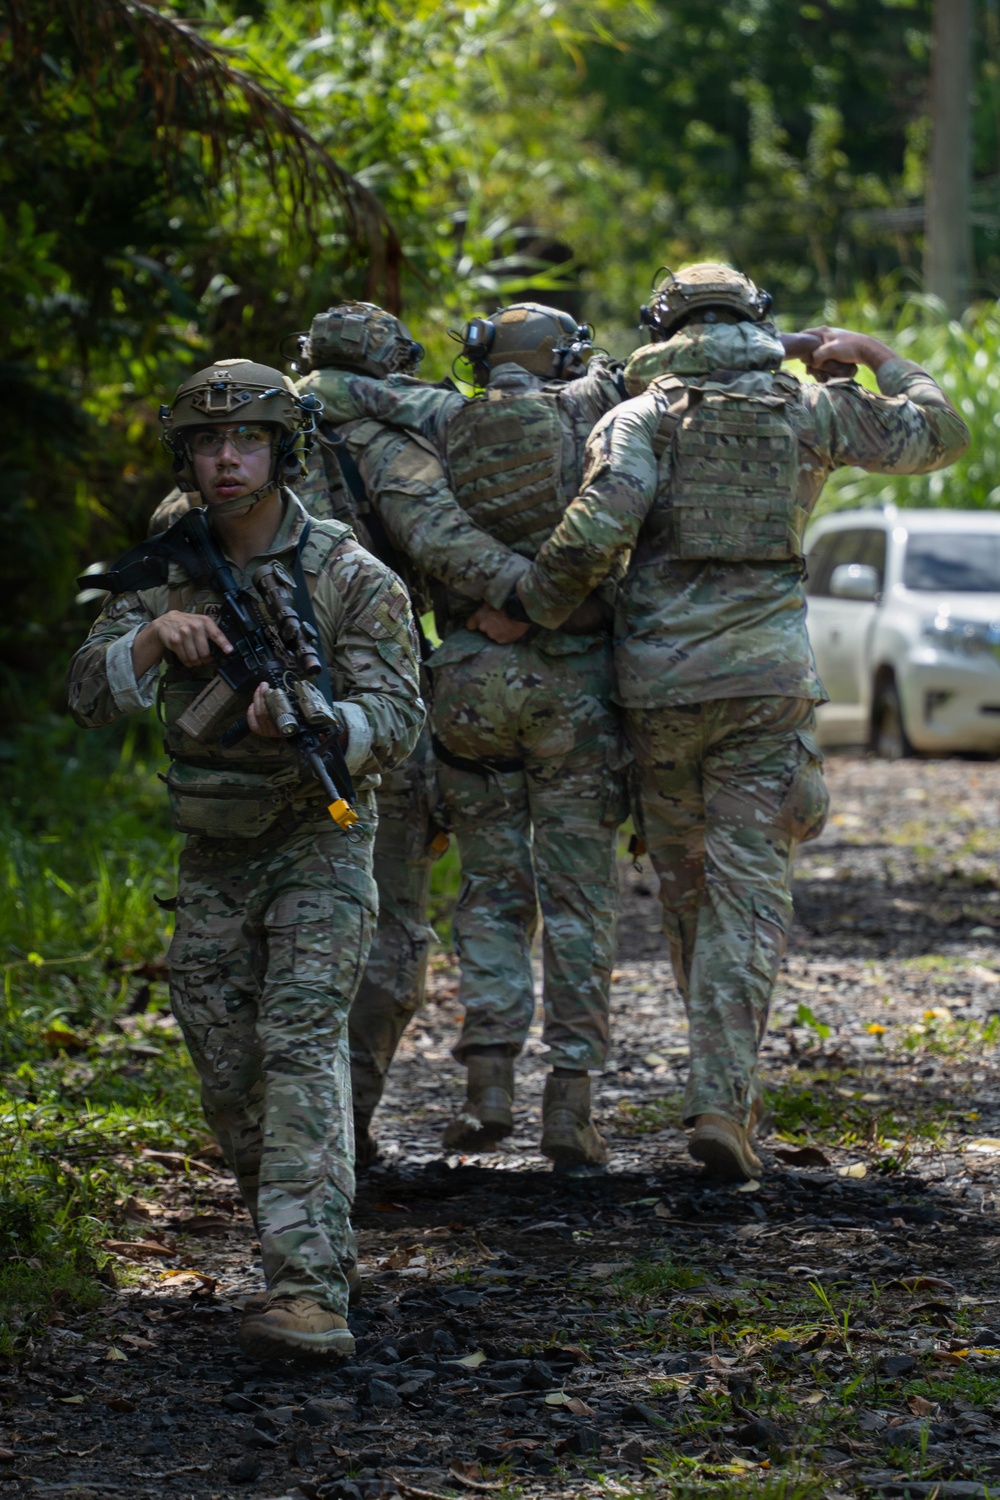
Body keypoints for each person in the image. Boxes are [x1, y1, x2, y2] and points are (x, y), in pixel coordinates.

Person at [472, 264, 970, 1182]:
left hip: (658, 693)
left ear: (664, 324)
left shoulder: (642, 414)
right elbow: (941, 433)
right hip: (766, 689)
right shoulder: (809, 409)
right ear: (755, 321)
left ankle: (721, 1095)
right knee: (749, 895)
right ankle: (721, 1098)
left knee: (688, 887)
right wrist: (879, 358)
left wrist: (528, 608)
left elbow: (595, 529)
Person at [67, 359, 423, 1357]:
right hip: (212, 849)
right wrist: (148, 642)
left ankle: (309, 1289)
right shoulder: (166, 562)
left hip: (317, 836)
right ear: (188, 456)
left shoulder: (351, 575)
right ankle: (294, 1233)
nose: (229, 460)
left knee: (301, 1046)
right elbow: (88, 693)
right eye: (211, 445)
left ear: (282, 451)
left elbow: (401, 715)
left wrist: (319, 716)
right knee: (227, 1069)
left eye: (251, 441)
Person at [300, 304, 628, 1169]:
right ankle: (570, 1106)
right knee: (579, 895)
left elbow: (439, 534)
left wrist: (492, 617)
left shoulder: (440, 419)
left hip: (468, 683)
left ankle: (487, 1084)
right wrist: (541, 603)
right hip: (575, 679)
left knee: (489, 886)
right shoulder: (596, 411)